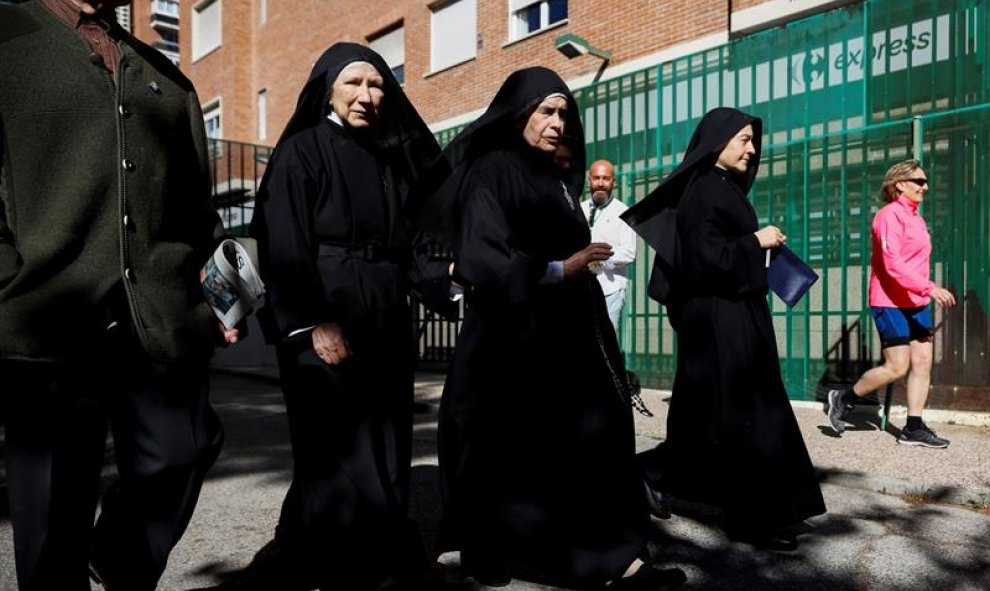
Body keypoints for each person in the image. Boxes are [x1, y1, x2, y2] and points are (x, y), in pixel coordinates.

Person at [0, 1, 237, 589]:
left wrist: (221, 297)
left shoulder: (166, 77)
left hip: (155, 318)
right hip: (44, 318)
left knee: (182, 451)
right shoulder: (6, 38)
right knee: (53, 508)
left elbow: (196, 214)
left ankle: (117, 558)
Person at [436, 66, 686, 591]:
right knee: (512, 451)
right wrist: (559, 269)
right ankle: (494, 547)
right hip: (514, 341)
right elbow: (483, 258)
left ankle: (615, 559)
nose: (557, 123)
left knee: (585, 448)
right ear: (518, 112)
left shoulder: (554, 177)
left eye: (563, 113)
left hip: (566, 333)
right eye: (546, 111)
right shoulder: (492, 170)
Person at [247, 43, 453, 591]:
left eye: (378, 84)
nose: (367, 95)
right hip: (327, 305)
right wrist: (313, 321)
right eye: (354, 83)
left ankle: (368, 550)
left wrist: (447, 280)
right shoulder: (302, 152)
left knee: (387, 434)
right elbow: (285, 243)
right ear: (328, 90)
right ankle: (356, 564)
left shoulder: (388, 159)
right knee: (337, 443)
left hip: (385, 310)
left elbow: (411, 246)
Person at [622, 107, 826, 552]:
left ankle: (651, 475)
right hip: (720, 321)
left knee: (715, 418)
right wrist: (757, 241)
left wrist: (757, 247)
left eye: (754, 142)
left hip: (730, 316)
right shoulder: (705, 193)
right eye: (743, 140)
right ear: (717, 143)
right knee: (742, 417)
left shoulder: (719, 188)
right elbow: (705, 261)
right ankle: (753, 520)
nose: (752, 150)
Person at [827, 159, 956, 448]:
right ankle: (844, 399)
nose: (926, 187)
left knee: (922, 362)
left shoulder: (917, 219)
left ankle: (912, 428)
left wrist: (925, 291)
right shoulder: (888, 216)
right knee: (897, 366)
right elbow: (892, 263)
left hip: (916, 300)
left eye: (926, 182)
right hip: (889, 301)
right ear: (900, 184)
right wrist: (930, 288)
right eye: (919, 182)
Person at [580, 159, 638, 335]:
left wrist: (598, 261)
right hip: (580, 288)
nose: (600, 183)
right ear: (589, 180)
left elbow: (629, 253)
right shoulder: (579, 209)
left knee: (606, 340)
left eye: (606, 178)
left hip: (610, 290)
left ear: (614, 182)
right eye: (596, 178)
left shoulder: (624, 213)